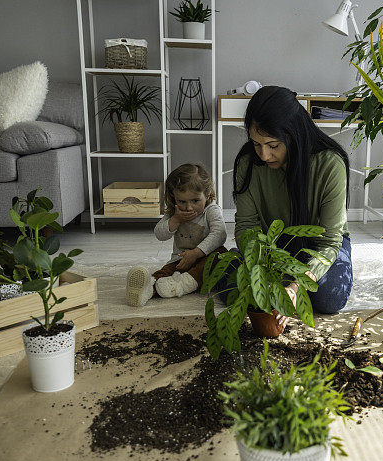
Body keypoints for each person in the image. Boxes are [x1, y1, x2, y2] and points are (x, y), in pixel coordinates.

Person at [227, 85, 353, 325]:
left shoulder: (329, 165)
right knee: (235, 287)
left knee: (329, 299)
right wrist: (259, 268)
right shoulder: (248, 163)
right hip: (271, 246)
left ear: (294, 135)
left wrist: (296, 286)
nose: (263, 155)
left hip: (318, 246)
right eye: (256, 144)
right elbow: (246, 227)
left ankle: (286, 281)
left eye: (273, 145)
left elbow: (330, 241)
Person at [127, 163, 227, 307]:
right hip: (180, 260)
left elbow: (220, 234)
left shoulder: (211, 210)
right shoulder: (175, 212)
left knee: (221, 254)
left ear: (207, 193)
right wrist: (175, 220)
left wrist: (196, 253)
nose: (188, 207)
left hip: (205, 260)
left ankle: (180, 285)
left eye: (195, 201)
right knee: (164, 272)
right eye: (182, 201)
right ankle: (147, 289)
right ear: (174, 197)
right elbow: (159, 234)